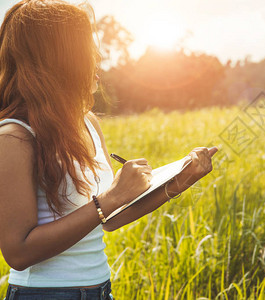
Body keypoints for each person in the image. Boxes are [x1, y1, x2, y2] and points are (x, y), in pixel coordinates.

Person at [0, 0, 218, 299]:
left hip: (101, 290)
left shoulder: (87, 124)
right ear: (62, 61)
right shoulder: (15, 138)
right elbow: (18, 251)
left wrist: (180, 181)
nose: (97, 59)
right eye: (88, 51)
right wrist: (109, 198)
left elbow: (111, 218)